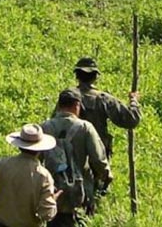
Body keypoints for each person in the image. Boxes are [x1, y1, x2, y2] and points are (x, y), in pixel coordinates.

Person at [40, 89, 111, 226]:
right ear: (77, 105)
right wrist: (106, 175)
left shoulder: (45, 127)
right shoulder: (85, 127)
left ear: (59, 105)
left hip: (53, 192)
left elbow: (36, 160)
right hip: (81, 192)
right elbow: (98, 160)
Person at [0, 124, 59, 227]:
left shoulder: (1, 164)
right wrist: (53, 201)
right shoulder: (44, 176)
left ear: (19, 145)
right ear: (40, 149)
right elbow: (46, 214)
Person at [67, 56, 141, 160]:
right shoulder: (103, 99)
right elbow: (131, 119)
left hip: (70, 155)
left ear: (77, 76)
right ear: (96, 77)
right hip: (97, 156)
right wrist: (134, 101)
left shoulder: (67, 96)